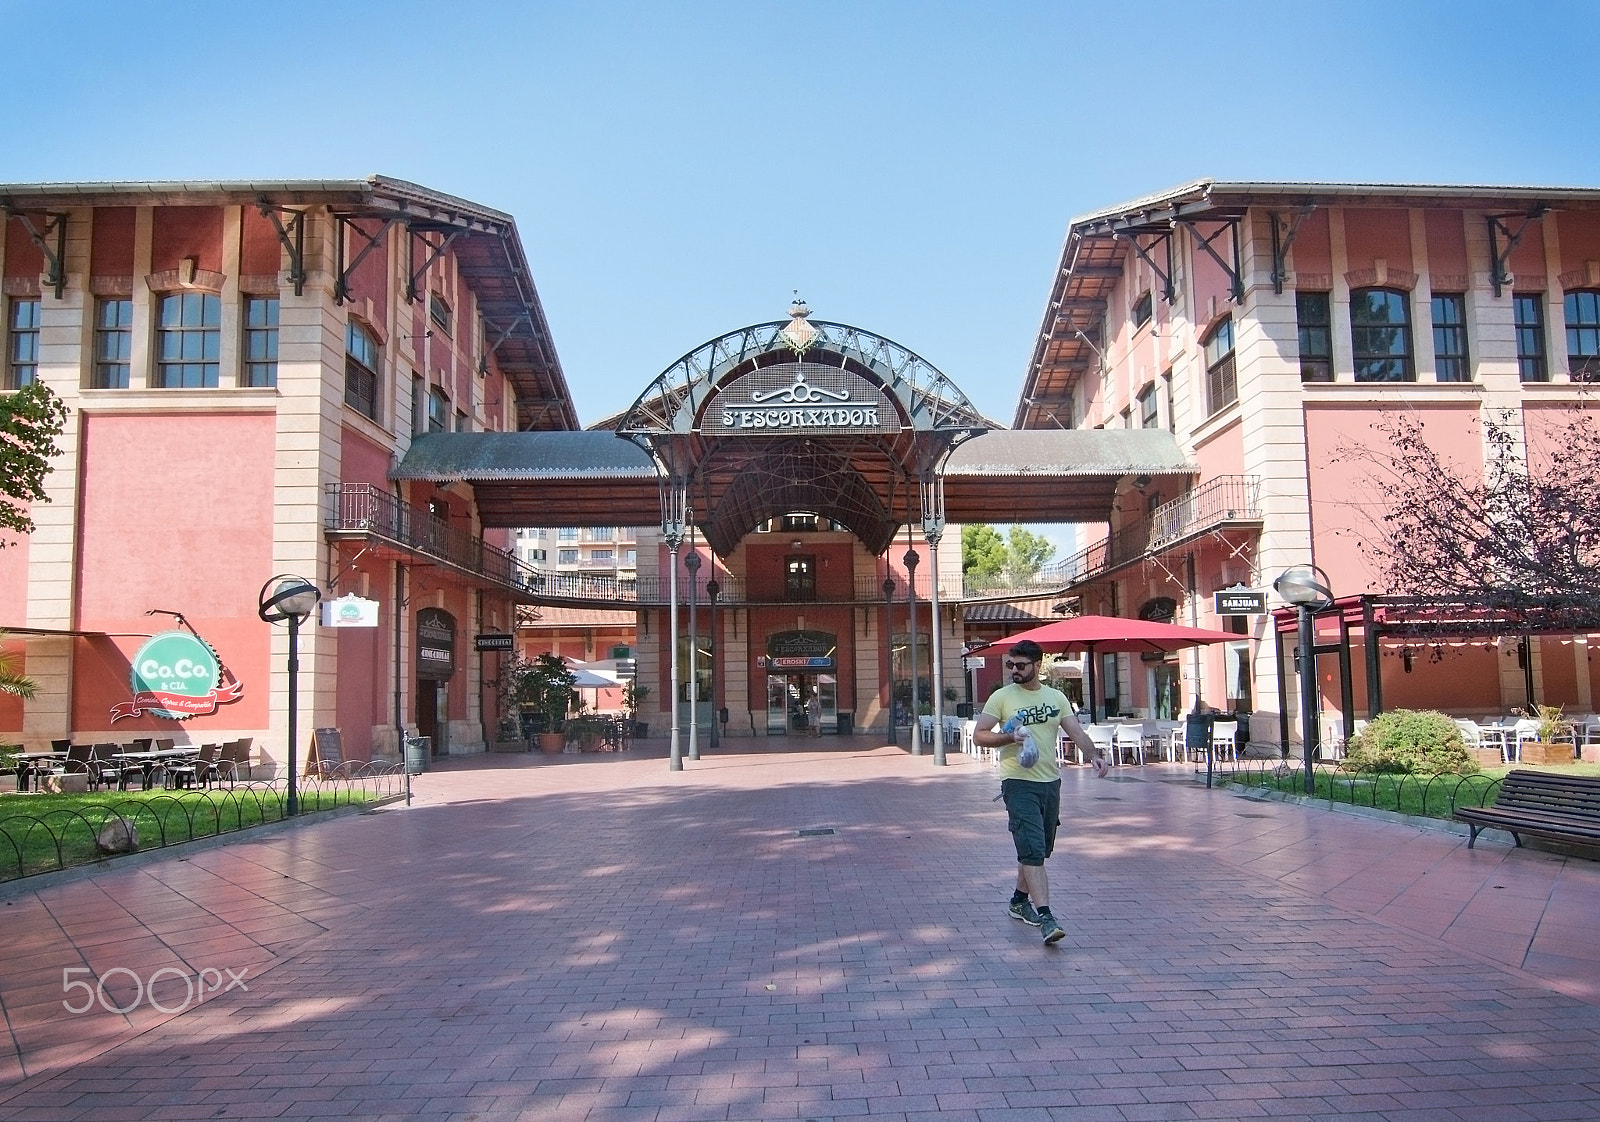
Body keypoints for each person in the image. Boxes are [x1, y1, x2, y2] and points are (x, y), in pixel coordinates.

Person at [972, 639, 1106, 945]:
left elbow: (1076, 731)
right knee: (1032, 850)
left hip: (1050, 783)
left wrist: (1094, 754)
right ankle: (1046, 917)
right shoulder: (1001, 697)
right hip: (1017, 782)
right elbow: (980, 736)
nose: (1014, 671)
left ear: (1037, 665)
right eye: (1011, 665)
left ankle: (1019, 900)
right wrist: (1009, 738)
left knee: (1039, 850)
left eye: (1021, 666)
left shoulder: (1056, 698)